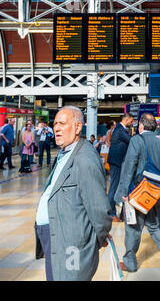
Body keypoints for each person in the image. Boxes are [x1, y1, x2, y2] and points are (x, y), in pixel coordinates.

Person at [34, 106, 112, 281]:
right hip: (55, 236)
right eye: (55, 124)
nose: (56, 128)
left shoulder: (84, 159)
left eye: (62, 123)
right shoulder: (65, 153)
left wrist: (92, 243)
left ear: (77, 128)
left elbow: (100, 209)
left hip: (72, 245)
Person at [114, 113, 160, 276]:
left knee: (133, 227)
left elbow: (129, 166)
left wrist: (121, 193)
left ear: (141, 126)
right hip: (155, 192)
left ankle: (130, 263)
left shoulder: (137, 140)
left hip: (138, 193)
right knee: (155, 226)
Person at [107, 113, 134, 221]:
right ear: (126, 120)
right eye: (131, 121)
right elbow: (131, 140)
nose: (131, 124)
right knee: (114, 187)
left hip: (117, 161)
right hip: (116, 161)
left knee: (115, 186)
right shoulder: (120, 130)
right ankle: (111, 213)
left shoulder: (120, 129)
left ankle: (114, 212)